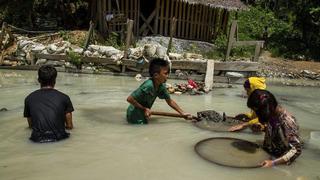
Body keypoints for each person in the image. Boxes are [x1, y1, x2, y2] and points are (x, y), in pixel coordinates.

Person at [126, 58, 191, 124]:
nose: (167, 76)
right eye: (165, 74)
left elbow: (170, 101)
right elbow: (130, 99)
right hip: (134, 113)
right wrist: (144, 109)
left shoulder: (161, 86)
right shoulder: (148, 86)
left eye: (168, 73)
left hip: (144, 111)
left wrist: (182, 113)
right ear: (156, 75)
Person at [247, 89, 302, 167]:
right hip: (271, 151)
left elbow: (296, 150)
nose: (256, 114)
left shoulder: (287, 121)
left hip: (279, 160)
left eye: (257, 112)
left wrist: (273, 163)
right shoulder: (273, 115)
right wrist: (263, 129)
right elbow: (278, 133)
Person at [24, 65, 74, 143]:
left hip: (37, 140)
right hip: (60, 138)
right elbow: (70, 126)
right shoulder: (64, 98)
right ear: (55, 81)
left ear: (38, 80)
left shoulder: (29, 98)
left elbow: (31, 126)